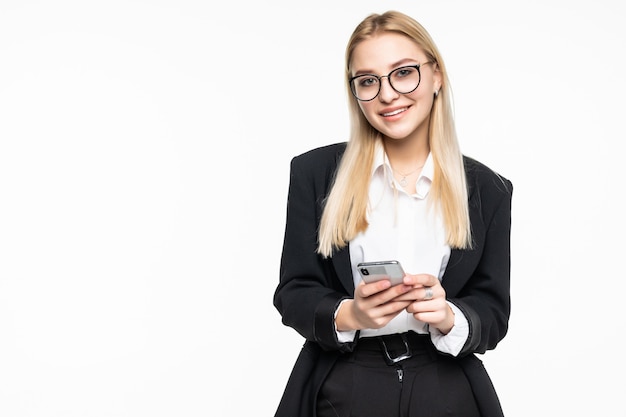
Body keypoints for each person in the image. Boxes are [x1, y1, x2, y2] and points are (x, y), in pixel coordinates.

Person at [273, 10, 513, 417]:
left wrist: (449, 315)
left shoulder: (487, 189)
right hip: (344, 384)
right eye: (368, 81)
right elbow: (293, 292)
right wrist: (352, 312)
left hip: (446, 387)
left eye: (403, 73)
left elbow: (493, 311)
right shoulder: (314, 174)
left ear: (436, 75)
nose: (386, 94)